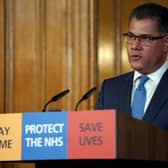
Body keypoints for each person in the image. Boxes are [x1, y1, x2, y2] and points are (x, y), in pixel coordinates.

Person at [95, 2, 168, 131]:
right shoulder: (110, 89)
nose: (135, 46)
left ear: (165, 43)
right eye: (131, 36)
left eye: (145, 38)